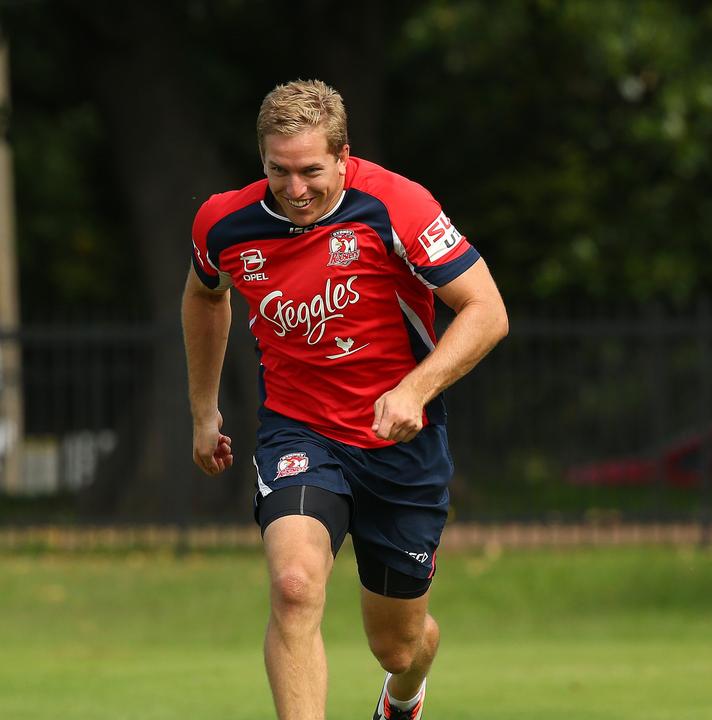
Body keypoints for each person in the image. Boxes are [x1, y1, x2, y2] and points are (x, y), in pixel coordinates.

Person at [183, 79, 508, 720]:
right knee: (294, 585)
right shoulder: (225, 222)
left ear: (342, 155)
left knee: (398, 644)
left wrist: (415, 389)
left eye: (310, 171)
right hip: (298, 431)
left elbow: (487, 311)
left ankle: (404, 694)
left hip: (399, 446)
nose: (295, 189)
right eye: (279, 171)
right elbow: (204, 293)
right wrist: (203, 410)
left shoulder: (396, 206)